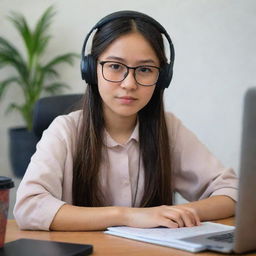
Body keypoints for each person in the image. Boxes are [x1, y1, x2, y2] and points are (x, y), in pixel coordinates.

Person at [14, 10, 238, 231]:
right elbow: (29, 207)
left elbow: (233, 190)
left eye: (144, 69)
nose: (129, 83)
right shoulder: (65, 131)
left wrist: (173, 215)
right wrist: (128, 216)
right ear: (91, 69)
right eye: (115, 66)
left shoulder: (169, 129)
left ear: (162, 77)